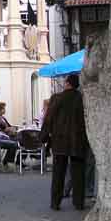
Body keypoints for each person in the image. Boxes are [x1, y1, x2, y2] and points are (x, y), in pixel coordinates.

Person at [40, 74, 88, 211]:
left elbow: (48, 119)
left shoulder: (57, 98)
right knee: (78, 173)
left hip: (59, 140)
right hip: (78, 140)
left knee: (58, 173)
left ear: (67, 83)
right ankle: (78, 202)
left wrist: (43, 137)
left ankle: (55, 202)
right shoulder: (82, 99)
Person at [0, 102, 18, 171]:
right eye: (3, 108)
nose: (5, 110)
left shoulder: (2, 118)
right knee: (15, 143)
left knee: (18, 140)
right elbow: (4, 129)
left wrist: (13, 128)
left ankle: (13, 161)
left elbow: (8, 126)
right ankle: (7, 161)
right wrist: (10, 129)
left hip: (5, 136)